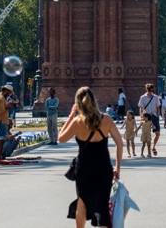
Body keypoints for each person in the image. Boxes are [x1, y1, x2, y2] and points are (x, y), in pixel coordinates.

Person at [58, 86, 124, 227]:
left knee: (82, 203)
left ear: (78, 103)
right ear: (94, 101)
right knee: (102, 206)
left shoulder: (77, 122)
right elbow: (120, 143)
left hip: (84, 169)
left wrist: (71, 116)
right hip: (103, 168)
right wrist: (117, 167)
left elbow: (61, 138)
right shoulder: (106, 119)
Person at [137, 83, 162, 157]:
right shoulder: (143, 97)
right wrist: (141, 116)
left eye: (152, 90)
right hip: (146, 116)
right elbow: (141, 107)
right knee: (146, 134)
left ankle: (153, 146)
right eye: (149, 90)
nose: (151, 91)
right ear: (146, 89)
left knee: (157, 133)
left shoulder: (155, 97)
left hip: (154, 116)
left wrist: (158, 116)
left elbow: (158, 107)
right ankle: (144, 152)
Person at [0, 85, 13, 160]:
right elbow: (1, 110)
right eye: (9, 93)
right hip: (1, 120)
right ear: (6, 91)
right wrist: (8, 107)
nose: (9, 94)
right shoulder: (1, 98)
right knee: (1, 140)